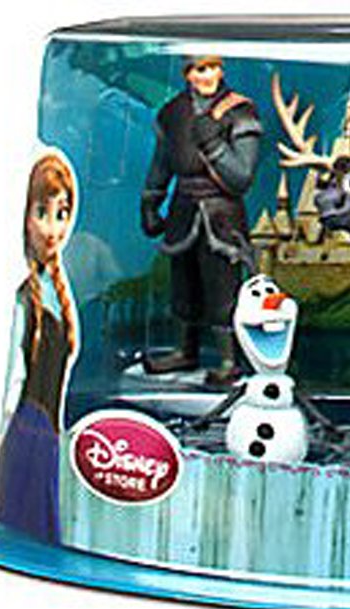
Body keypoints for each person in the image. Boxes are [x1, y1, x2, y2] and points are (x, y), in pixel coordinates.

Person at [140, 55, 262, 385]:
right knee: (183, 284)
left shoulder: (240, 111)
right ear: (187, 74)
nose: (206, 76)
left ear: (221, 70)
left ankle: (228, 360)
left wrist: (214, 145)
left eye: (211, 68)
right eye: (198, 69)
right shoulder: (172, 112)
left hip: (222, 214)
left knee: (222, 287)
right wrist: (150, 202)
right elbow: (162, 162)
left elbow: (241, 178)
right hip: (182, 209)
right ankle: (184, 350)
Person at [0, 151, 79, 543]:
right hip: (25, 432)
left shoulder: (55, 292)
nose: (53, 228)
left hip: (48, 434)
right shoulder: (25, 297)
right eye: (42, 212)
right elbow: (13, 379)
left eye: (62, 213)